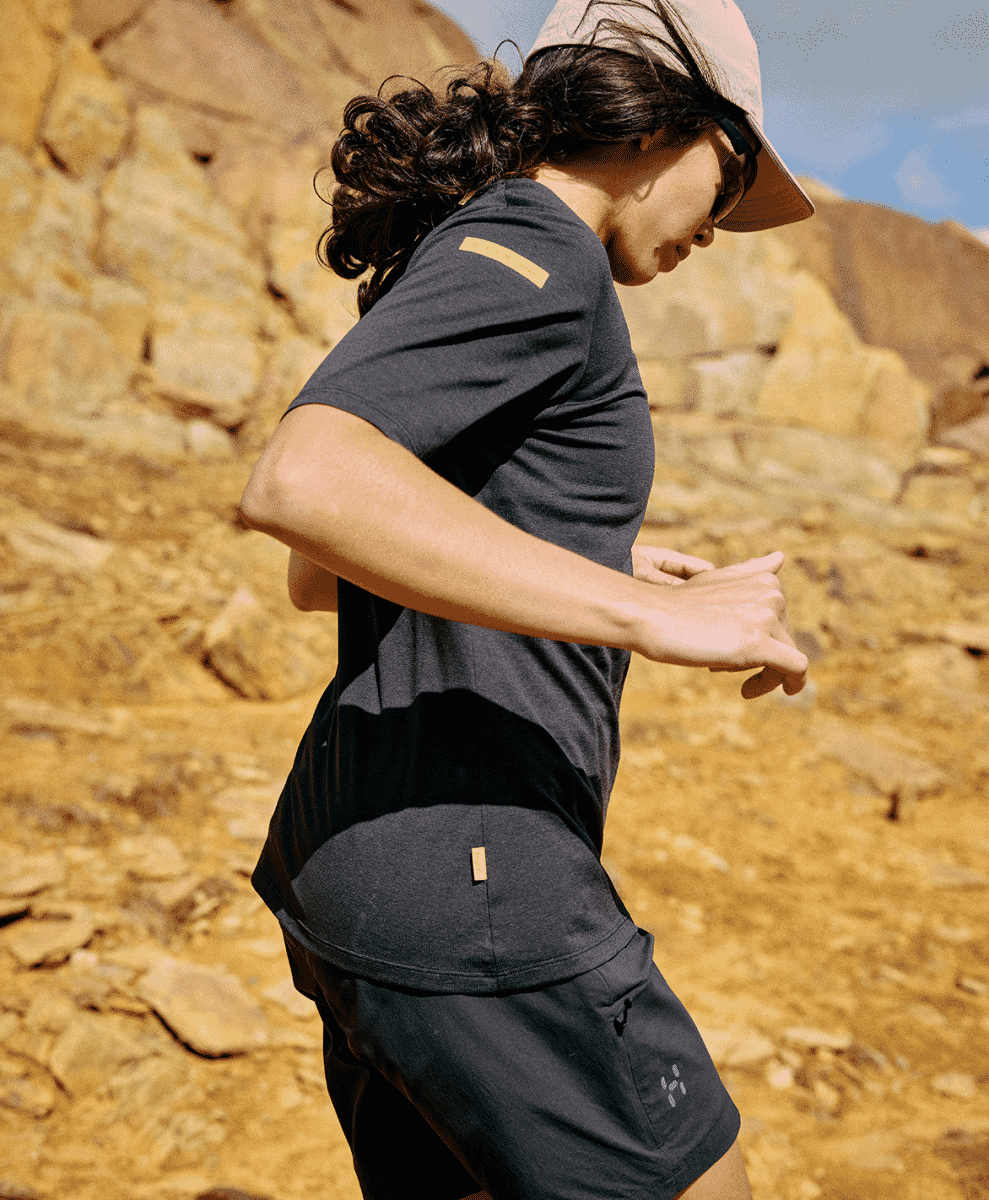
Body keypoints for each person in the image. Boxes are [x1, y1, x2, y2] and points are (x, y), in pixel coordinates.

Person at [238, 1, 814, 1196]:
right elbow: (303, 484)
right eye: (735, 172)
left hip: (356, 855)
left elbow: (319, 575)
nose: (723, 227)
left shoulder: (480, 242)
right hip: (478, 876)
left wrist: (600, 560)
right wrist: (649, 618)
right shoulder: (537, 248)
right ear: (662, 121)